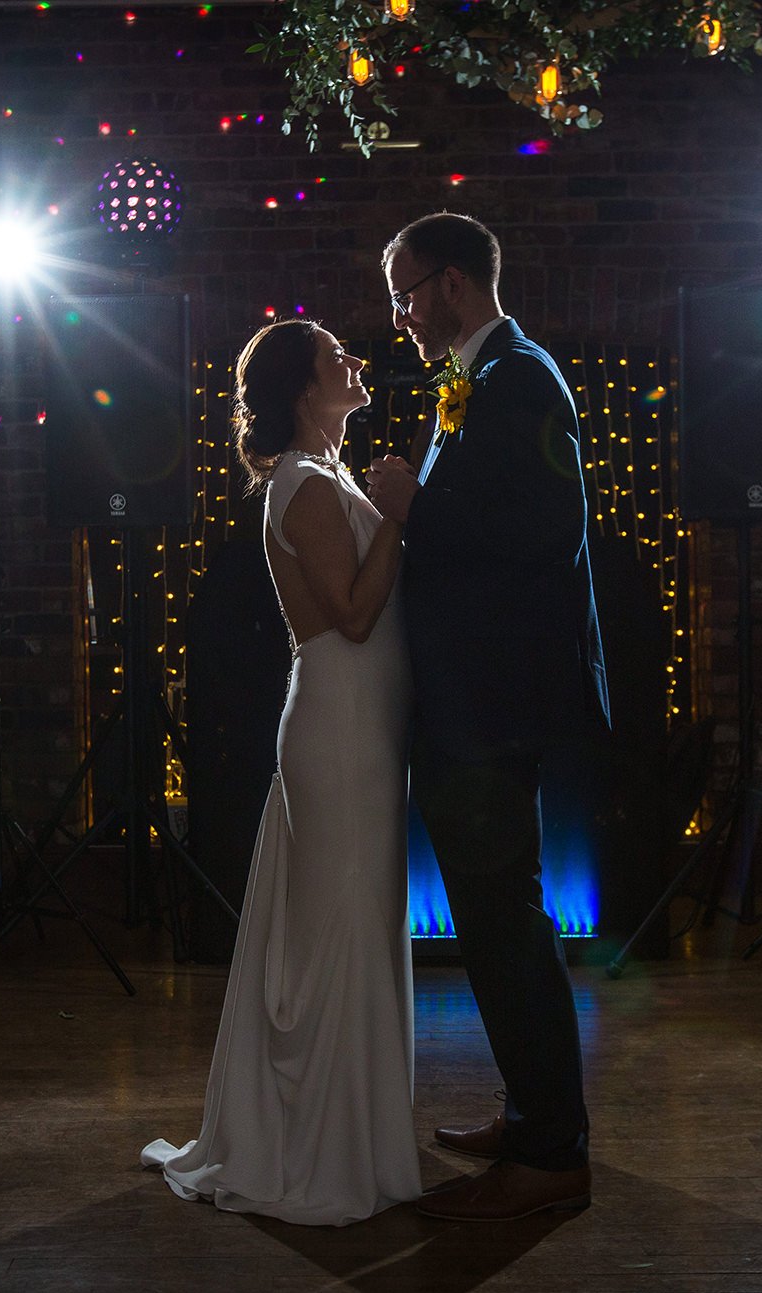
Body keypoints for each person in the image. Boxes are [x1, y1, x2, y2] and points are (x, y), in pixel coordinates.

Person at [142, 319, 420, 1226]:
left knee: (361, 917)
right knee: (339, 923)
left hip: (361, 722)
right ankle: (323, 1152)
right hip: (339, 721)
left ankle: (361, 1139)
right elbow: (348, 614)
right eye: (339, 355)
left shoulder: (331, 474)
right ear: (305, 388)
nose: (357, 362)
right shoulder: (300, 485)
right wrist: (401, 518)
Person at [366, 213, 610, 1222]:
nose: (399, 316)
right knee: (496, 921)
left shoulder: (519, 376)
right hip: (475, 697)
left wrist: (414, 509)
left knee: (505, 926)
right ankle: (528, 1115)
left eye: (405, 293)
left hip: (495, 703)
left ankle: (552, 1149)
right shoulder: (474, 376)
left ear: (453, 284)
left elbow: (551, 527)